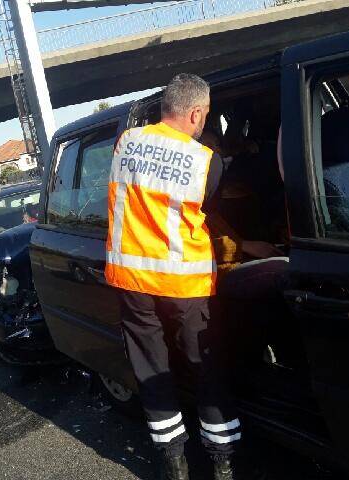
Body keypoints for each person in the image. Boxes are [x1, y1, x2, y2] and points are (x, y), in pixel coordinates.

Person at [105, 73, 241, 480]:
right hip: (184, 284)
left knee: (152, 371)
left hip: (131, 280)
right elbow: (210, 211)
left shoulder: (125, 142)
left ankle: (174, 464)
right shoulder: (206, 161)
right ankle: (222, 463)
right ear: (197, 113)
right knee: (205, 369)